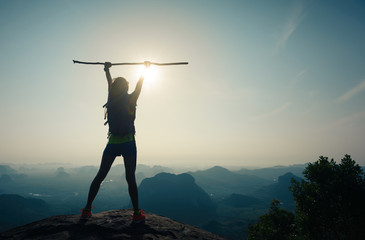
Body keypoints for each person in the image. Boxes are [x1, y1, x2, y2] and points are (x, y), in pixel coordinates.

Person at [81, 61, 147, 223]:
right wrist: (145, 69)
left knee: (100, 176)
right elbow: (140, 85)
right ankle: (137, 213)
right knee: (130, 177)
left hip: (113, 142)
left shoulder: (112, 98)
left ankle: (87, 209)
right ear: (125, 87)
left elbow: (109, 83)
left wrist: (106, 70)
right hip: (128, 142)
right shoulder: (131, 99)